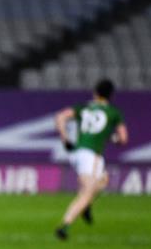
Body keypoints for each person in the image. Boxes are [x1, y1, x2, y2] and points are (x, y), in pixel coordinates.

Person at [54, 79, 128, 240]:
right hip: (92, 155)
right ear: (110, 95)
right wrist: (111, 138)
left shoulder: (84, 107)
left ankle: (86, 206)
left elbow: (60, 117)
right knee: (87, 191)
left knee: (104, 180)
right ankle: (64, 226)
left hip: (77, 152)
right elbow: (123, 138)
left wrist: (65, 138)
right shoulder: (114, 112)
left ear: (95, 92)